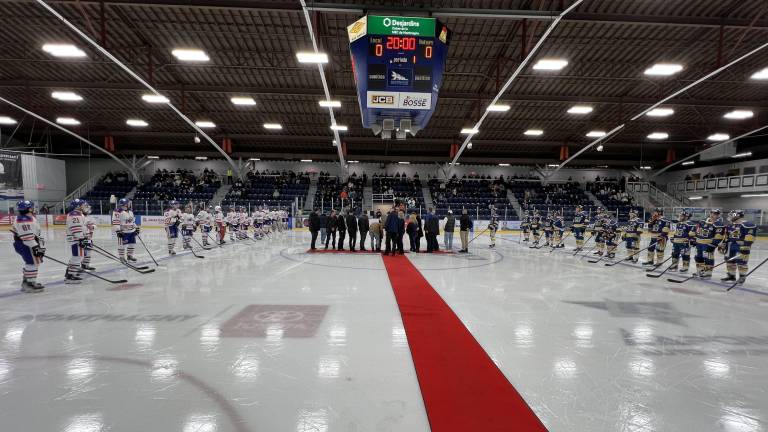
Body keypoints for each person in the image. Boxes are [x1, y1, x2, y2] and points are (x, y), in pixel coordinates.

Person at [11, 200, 46, 292]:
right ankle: (29, 284)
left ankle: (27, 281)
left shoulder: (27, 217)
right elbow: (27, 237)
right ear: (29, 208)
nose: (33, 208)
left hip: (28, 244)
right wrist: (36, 247)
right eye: (32, 207)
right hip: (27, 245)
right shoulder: (24, 219)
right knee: (32, 263)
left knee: (32, 263)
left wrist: (39, 246)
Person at [722, 210, 756, 284]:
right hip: (730, 245)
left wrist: (746, 247)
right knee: (730, 261)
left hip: (740, 246)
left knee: (741, 262)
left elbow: (750, 237)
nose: (730, 217)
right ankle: (731, 276)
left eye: (731, 215)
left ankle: (742, 277)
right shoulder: (730, 225)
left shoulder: (747, 225)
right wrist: (724, 244)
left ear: (737, 215)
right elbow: (727, 236)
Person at [694, 209, 725, 279]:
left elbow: (719, 236)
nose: (713, 215)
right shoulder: (702, 221)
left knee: (708, 258)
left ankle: (708, 273)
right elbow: (697, 230)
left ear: (718, 215)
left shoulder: (719, 224)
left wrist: (713, 245)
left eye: (716, 214)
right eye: (712, 213)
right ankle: (700, 271)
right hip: (699, 243)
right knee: (698, 257)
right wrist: (694, 239)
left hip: (708, 244)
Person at [65, 199, 89, 284]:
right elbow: (76, 228)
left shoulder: (78, 214)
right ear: (78, 206)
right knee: (78, 256)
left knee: (78, 256)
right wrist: (81, 238)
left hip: (77, 238)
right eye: (82, 205)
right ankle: (71, 275)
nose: (84, 206)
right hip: (77, 239)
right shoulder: (75, 214)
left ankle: (70, 273)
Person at [116, 198, 138, 263]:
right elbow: (116, 222)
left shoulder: (131, 212)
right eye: (128, 203)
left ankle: (129, 256)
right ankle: (121, 257)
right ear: (125, 204)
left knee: (132, 244)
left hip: (132, 231)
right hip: (124, 232)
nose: (129, 204)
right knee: (122, 245)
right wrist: (118, 231)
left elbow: (133, 222)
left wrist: (136, 228)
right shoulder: (118, 212)